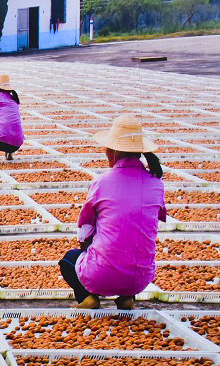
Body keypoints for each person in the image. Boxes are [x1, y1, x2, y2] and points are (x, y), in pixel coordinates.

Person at [58, 114, 165, 310]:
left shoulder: (101, 182)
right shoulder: (156, 184)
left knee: (68, 260)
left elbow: (85, 231)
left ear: (114, 151)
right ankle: (126, 298)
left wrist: (89, 250)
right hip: (140, 278)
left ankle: (88, 297)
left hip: (101, 275)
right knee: (132, 242)